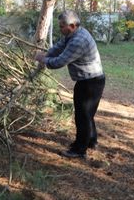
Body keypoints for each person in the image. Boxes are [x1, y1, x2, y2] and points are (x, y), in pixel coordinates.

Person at [34, 10, 105, 158]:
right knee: (87, 114)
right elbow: (59, 47)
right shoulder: (74, 34)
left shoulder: (78, 41)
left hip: (90, 82)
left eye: (62, 27)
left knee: (82, 115)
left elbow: (59, 61)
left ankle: (79, 150)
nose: (60, 29)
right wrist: (47, 54)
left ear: (72, 25)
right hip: (90, 80)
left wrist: (43, 60)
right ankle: (91, 141)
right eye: (59, 26)